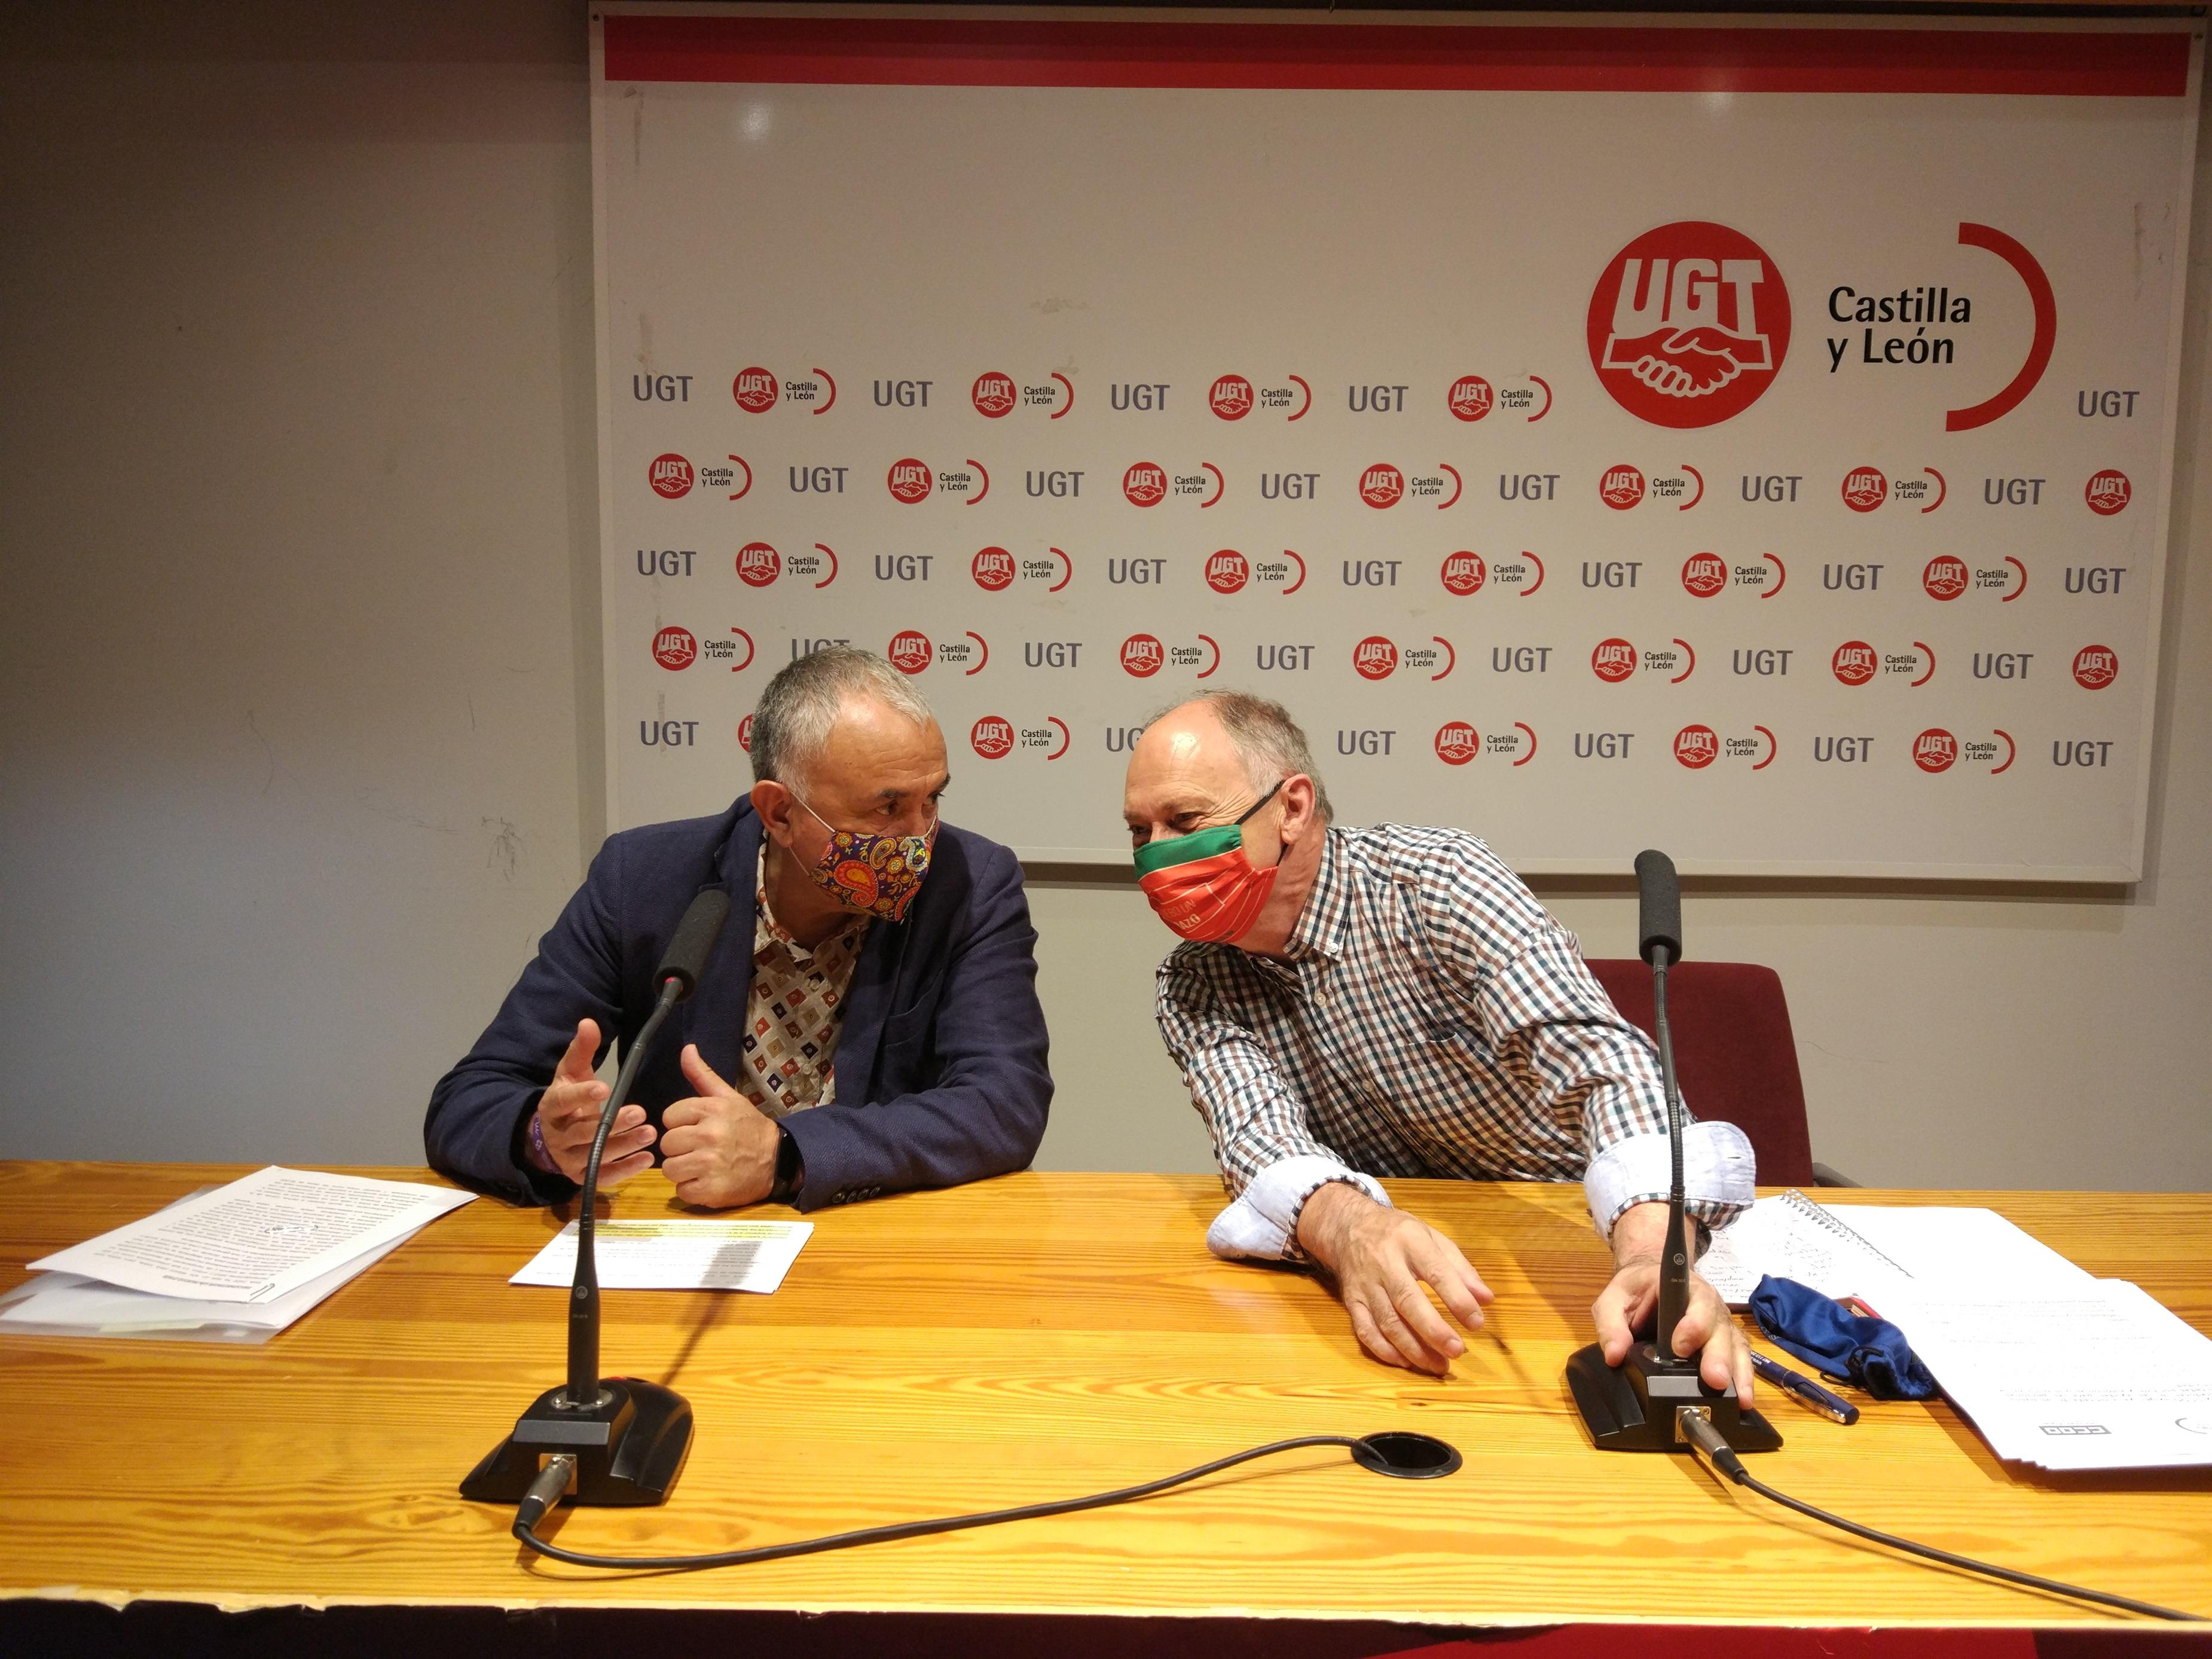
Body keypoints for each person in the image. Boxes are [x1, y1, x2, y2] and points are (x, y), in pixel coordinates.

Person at [1120, 689, 1756, 1396]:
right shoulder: (1193, 982)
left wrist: (1648, 1260)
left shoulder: (1438, 884)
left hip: (1573, 1251)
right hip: (1405, 1278)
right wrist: (1350, 1228)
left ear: (1291, 809)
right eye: (1139, 833)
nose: (1155, 859)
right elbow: (1259, 1141)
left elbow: (1599, 1065)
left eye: (1183, 821)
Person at [426, 646, 1052, 1211]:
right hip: (678, 1239)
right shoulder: (642, 879)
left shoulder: (969, 882)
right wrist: (543, 1136)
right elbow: (467, 1100)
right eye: (887, 808)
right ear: (778, 812)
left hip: (874, 1236)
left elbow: (1004, 1103)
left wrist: (785, 1154)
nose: (918, 835)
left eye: (932, 800)